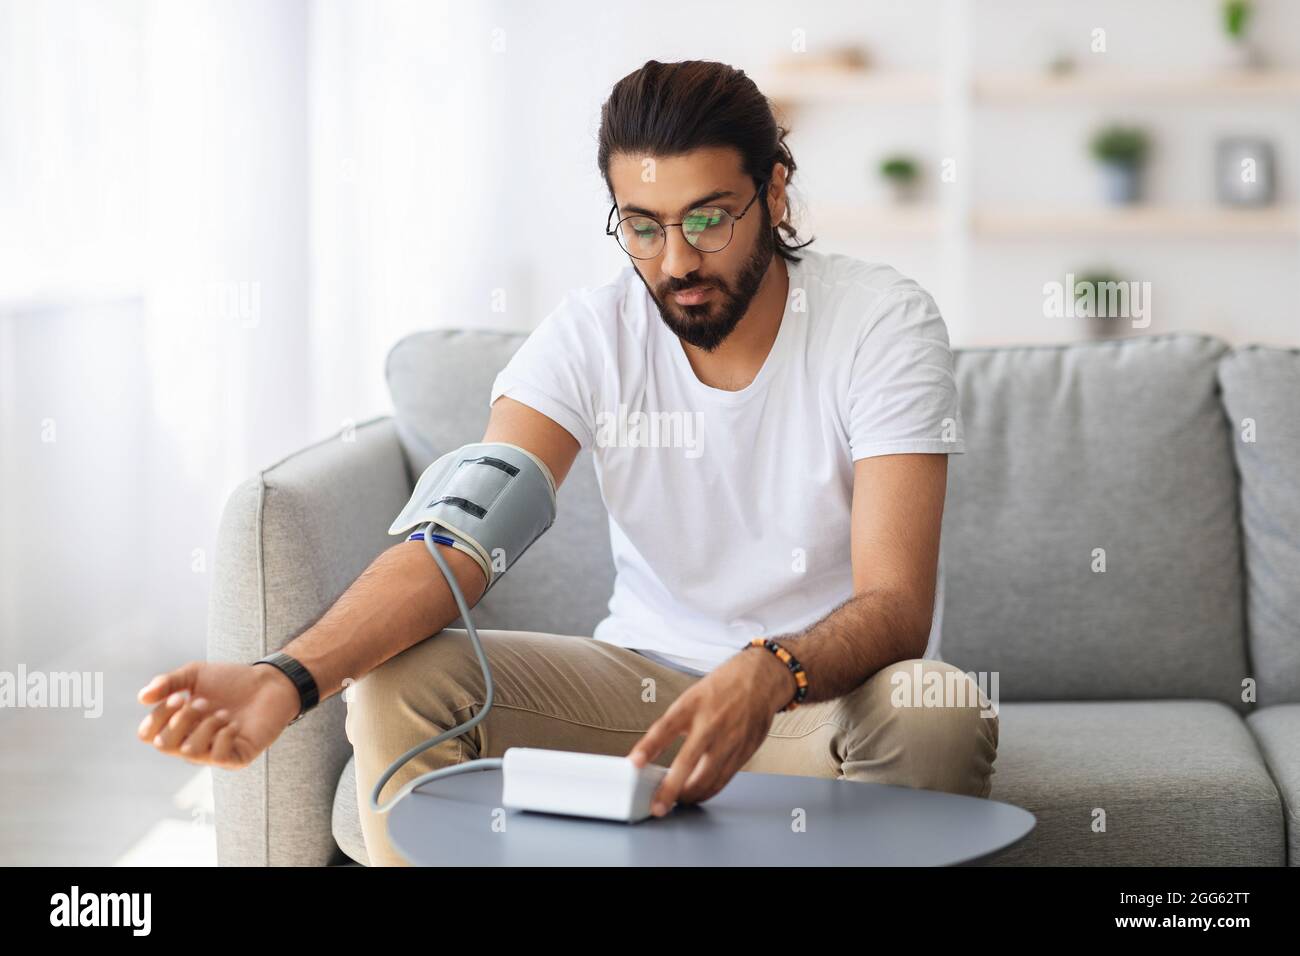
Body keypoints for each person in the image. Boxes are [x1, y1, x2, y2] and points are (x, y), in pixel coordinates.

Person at [136, 59, 998, 867]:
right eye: (643, 226)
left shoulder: (881, 323)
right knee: (403, 681)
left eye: (709, 218)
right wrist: (284, 680)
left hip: (819, 708)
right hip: (643, 695)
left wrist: (769, 671)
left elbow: (896, 605)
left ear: (774, 191)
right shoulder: (592, 335)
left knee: (935, 710)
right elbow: (458, 542)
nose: (677, 262)